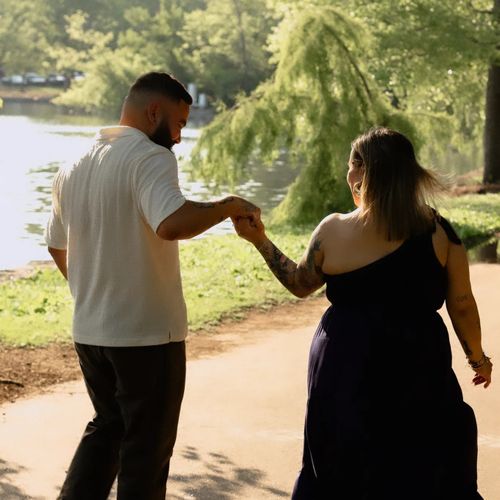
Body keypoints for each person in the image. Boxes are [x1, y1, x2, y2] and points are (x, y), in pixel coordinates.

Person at [233, 127, 492, 499]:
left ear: (360, 173)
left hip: (345, 361)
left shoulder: (334, 230)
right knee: (422, 455)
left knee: (343, 456)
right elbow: (462, 303)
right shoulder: (440, 232)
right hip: (417, 360)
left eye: (349, 167)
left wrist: (259, 239)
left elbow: (299, 283)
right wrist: (478, 358)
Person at [45, 72, 260, 500]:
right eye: (179, 124)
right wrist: (229, 205)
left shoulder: (74, 164)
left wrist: (92, 288)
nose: (179, 137)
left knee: (106, 431)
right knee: (146, 451)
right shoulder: (150, 157)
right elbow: (171, 222)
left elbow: (55, 244)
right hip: (147, 338)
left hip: (91, 332)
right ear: (154, 112)